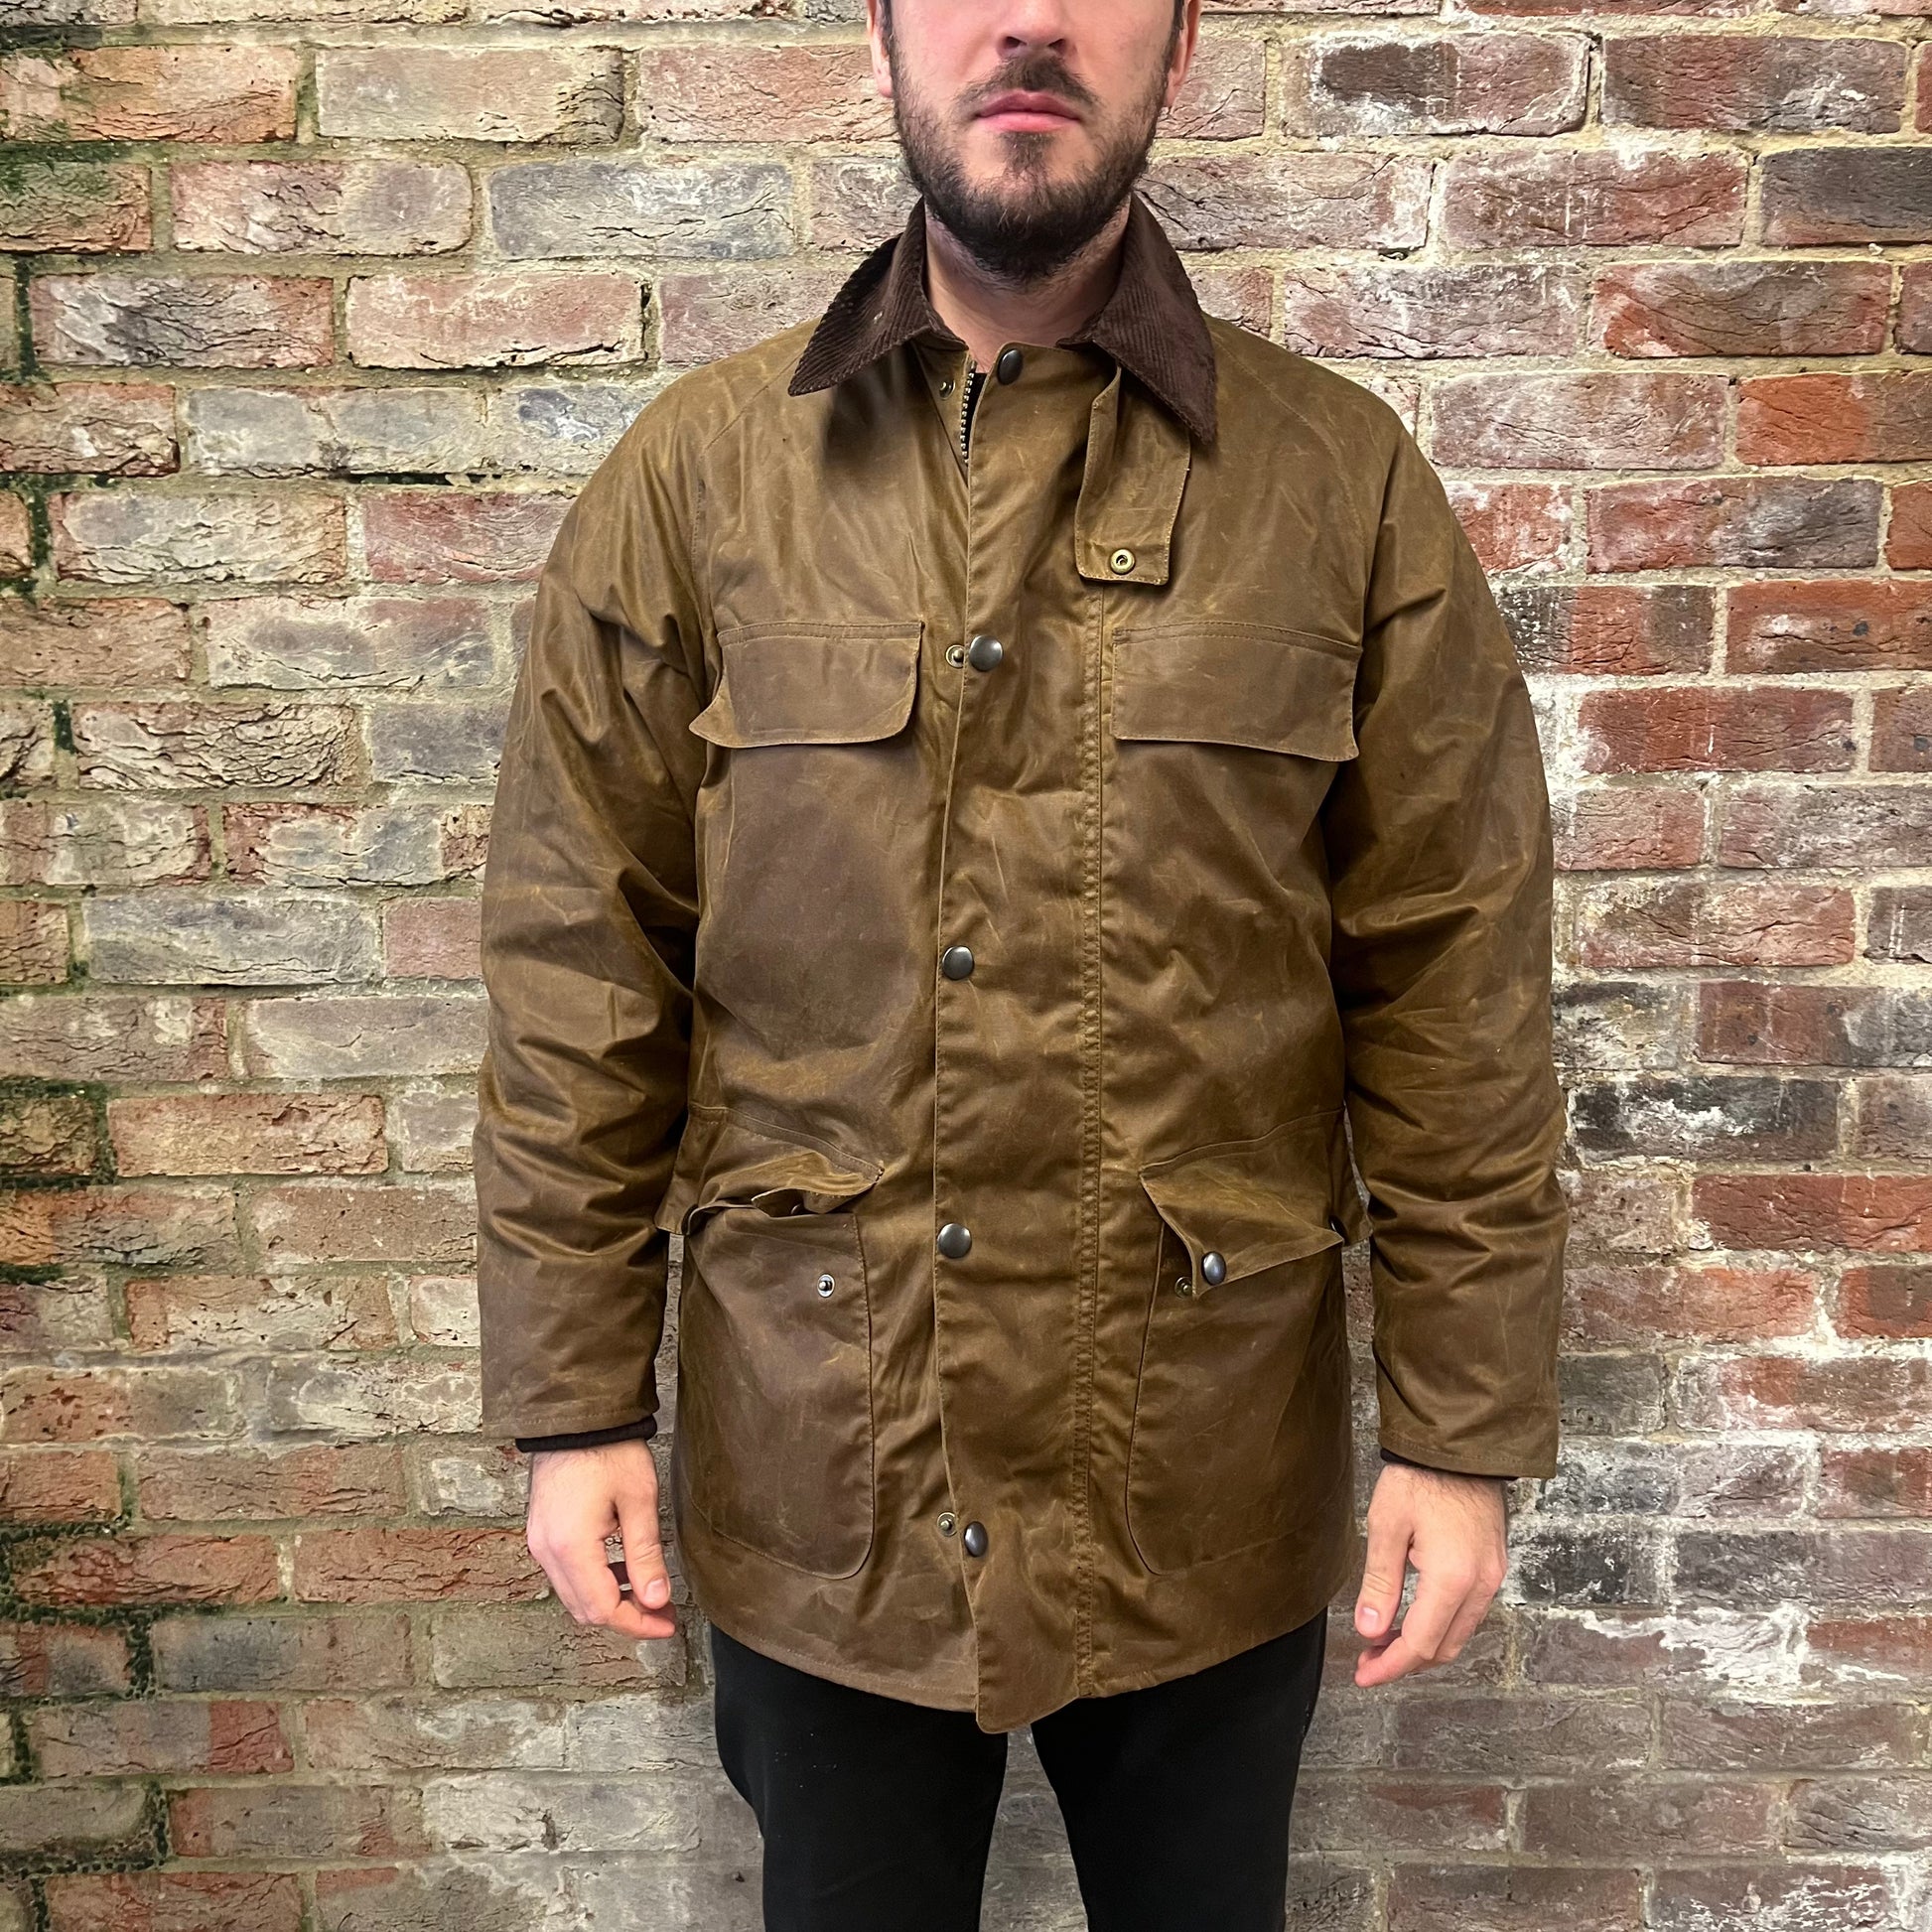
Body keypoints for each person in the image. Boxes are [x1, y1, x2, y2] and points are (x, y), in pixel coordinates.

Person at [472, 1, 1570, 1925]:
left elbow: (1454, 983)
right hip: (826, 1468)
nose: (1034, 19)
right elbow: (584, 968)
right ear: (890, 29)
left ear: (1181, 43)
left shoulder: (1337, 488)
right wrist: (573, 1405)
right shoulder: (701, 481)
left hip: (1202, 1473)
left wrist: (1463, 1431)